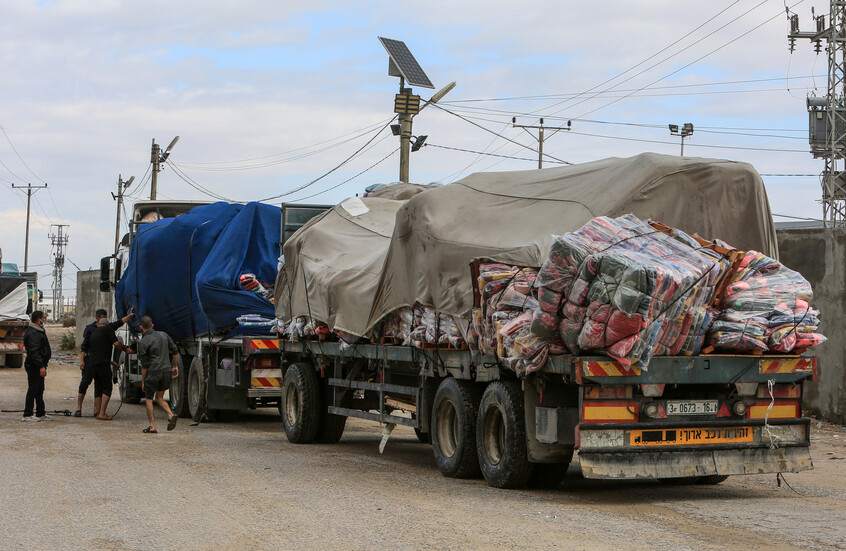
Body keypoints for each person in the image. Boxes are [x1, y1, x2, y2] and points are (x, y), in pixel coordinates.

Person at [76, 308, 135, 417]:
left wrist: (130, 315)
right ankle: (96, 411)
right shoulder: (95, 329)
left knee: (98, 386)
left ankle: (97, 411)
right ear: (97, 318)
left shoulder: (95, 332)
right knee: (98, 385)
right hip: (94, 361)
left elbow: (120, 322)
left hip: (95, 362)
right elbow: (116, 344)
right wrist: (126, 350)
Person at [137, 315, 179, 433]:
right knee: (159, 397)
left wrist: (143, 381)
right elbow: (175, 350)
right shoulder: (164, 335)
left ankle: (152, 426)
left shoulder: (143, 342)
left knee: (149, 398)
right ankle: (170, 414)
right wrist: (174, 366)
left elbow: (145, 365)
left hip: (153, 373)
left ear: (141, 327)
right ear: (153, 325)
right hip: (166, 372)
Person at [22, 310, 51, 422]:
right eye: (43, 318)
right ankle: (27, 414)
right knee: (33, 389)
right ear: (39, 320)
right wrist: (40, 366)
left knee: (39, 389)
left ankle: (40, 413)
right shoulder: (33, 333)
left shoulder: (38, 331)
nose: (44, 320)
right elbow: (34, 352)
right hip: (34, 365)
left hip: (39, 364)